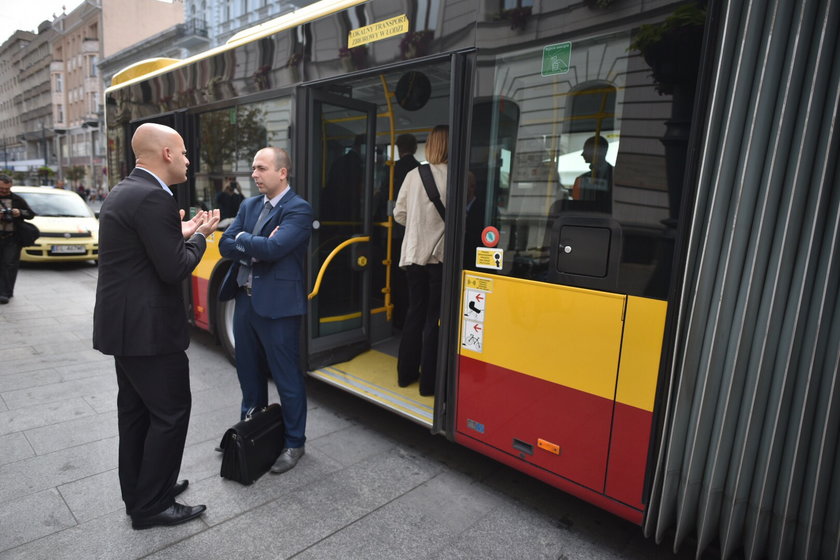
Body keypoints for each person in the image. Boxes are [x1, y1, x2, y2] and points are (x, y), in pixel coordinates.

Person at [92, 123, 220, 530]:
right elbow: (175, 267)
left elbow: (144, 249)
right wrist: (200, 235)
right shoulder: (152, 197)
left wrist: (177, 230)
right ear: (166, 153)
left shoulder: (126, 190)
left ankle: (143, 490)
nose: (187, 160)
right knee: (170, 414)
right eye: (183, 152)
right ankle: (152, 505)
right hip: (149, 333)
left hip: (127, 329)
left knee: (135, 414)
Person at [218, 146, 313, 474]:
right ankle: (251, 430)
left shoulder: (298, 210)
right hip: (245, 301)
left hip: (279, 309)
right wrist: (252, 244)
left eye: (261, 168)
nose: (254, 175)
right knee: (248, 372)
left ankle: (293, 442)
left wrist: (246, 242)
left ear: (282, 172)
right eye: (253, 169)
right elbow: (224, 244)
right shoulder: (248, 204)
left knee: (287, 377)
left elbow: (275, 248)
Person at [393, 125, 449, 396]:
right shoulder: (458, 176)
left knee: (414, 313)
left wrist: (418, 223)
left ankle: (404, 375)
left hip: (414, 256)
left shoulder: (414, 175)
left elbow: (399, 214)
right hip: (439, 257)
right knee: (433, 318)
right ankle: (428, 384)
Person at [0, 174, 36, 304]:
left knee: (9, 265)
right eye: (1, 188)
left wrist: (19, 213)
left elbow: (31, 214)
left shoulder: (17, 199)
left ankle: (6, 293)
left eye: (7, 188)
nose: (4, 191)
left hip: (12, 238)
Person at [571, 135, 613, 213]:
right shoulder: (581, 179)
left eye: (586, 150)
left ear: (598, 152)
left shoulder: (618, 177)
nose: (582, 154)